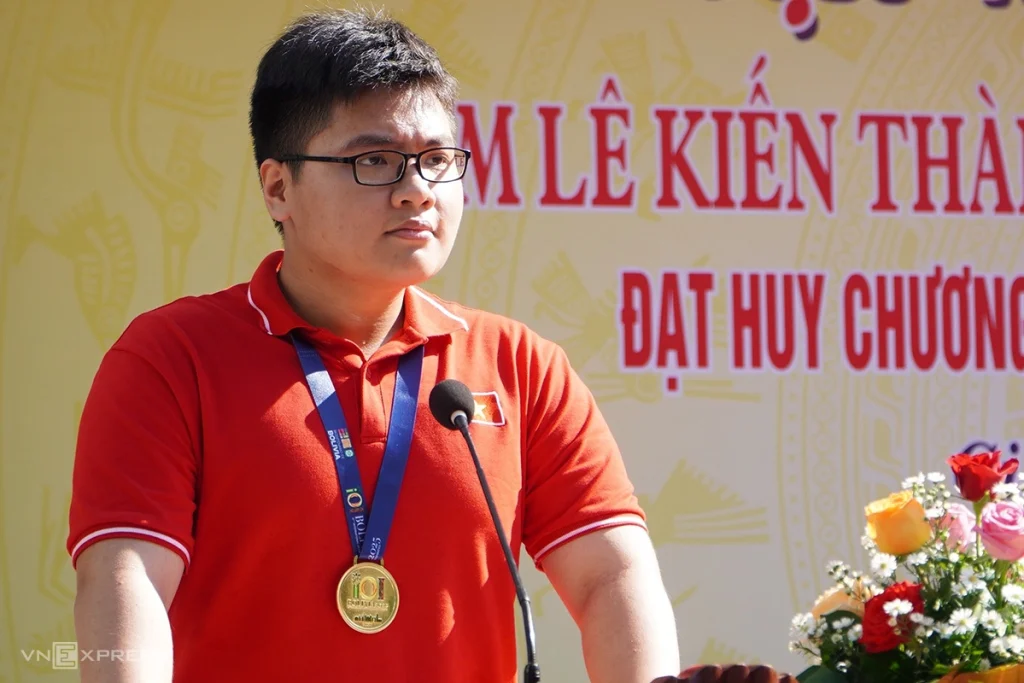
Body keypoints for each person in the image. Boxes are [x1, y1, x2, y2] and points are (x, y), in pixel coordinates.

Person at [67, 7, 681, 683]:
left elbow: (611, 576)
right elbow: (126, 581)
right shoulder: (171, 358)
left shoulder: (520, 365)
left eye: (438, 161)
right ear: (278, 188)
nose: (417, 191)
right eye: (375, 161)